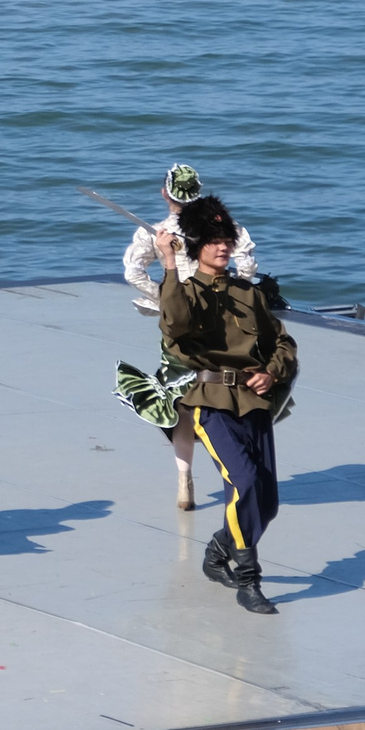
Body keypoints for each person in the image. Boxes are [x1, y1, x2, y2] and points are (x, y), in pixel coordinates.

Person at [158, 195, 298, 616]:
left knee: (267, 501)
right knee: (244, 481)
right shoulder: (185, 293)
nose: (223, 247)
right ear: (197, 246)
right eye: (214, 241)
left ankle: (219, 550)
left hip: (253, 401)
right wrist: (168, 265)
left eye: (227, 240)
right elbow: (175, 327)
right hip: (210, 401)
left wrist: (272, 371)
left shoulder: (247, 293)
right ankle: (249, 580)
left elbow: (283, 342)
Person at [122, 164, 258, 510]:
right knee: (229, 394)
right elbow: (247, 268)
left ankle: (185, 479)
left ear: (165, 193)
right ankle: (237, 472)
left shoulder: (159, 232)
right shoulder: (226, 228)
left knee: (180, 404)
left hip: (178, 326)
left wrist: (162, 299)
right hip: (220, 324)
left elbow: (133, 271)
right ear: (199, 192)